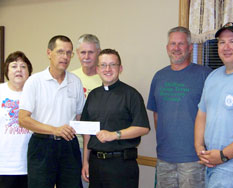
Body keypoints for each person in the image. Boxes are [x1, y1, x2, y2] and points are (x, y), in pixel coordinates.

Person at [147, 26, 211, 188]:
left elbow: (213, 115)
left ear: (190, 48)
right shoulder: (159, 76)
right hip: (164, 157)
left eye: (181, 44)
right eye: (172, 44)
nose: (176, 48)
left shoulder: (205, 75)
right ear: (167, 48)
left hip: (194, 158)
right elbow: (157, 114)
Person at [18, 35, 85, 188]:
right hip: (42, 146)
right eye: (60, 52)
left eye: (69, 53)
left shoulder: (75, 81)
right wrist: (55, 130)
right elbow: (23, 119)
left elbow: (79, 116)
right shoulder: (34, 81)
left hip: (69, 146)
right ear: (49, 53)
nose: (65, 57)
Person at [81, 48, 150, 188]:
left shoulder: (131, 95)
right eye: (103, 65)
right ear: (97, 69)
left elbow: (143, 127)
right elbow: (87, 131)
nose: (108, 69)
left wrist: (115, 135)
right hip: (95, 163)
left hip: (121, 165)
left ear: (120, 68)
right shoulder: (93, 96)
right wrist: (85, 162)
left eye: (113, 64)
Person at [195, 22, 233, 187]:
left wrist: (223, 155)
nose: (226, 47)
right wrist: (199, 147)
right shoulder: (213, 76)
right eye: (221, 42)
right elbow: (202, 114)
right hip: (212, 167)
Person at [72, 34, 102, 187]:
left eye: (91, 52)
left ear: (98, 52)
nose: (86, 56)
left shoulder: (105, 77)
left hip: (97, 146)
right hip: (73, 145)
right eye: (83, 52)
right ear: (77, 54)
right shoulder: (70, 78)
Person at [0, 51, 33, 188]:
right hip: (3, 165)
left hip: (30, 164)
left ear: (29, 72)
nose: (19, 69)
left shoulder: (35, 93)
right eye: (14, 66)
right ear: (7, 70)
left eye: (23, 66)